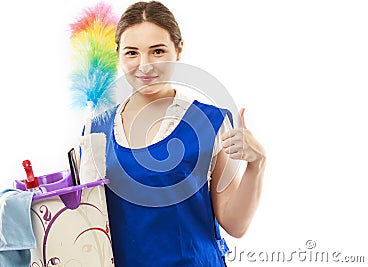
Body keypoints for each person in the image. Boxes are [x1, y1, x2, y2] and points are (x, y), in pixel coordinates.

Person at [89, 1, 266, 266]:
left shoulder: (210, 122)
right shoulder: (96, 129)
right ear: (119, 55)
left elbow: (235, 223)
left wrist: (257, 163)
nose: (144, 65)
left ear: (178, 48)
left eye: (157, 51)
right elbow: (87, 219)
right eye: (132, 53)